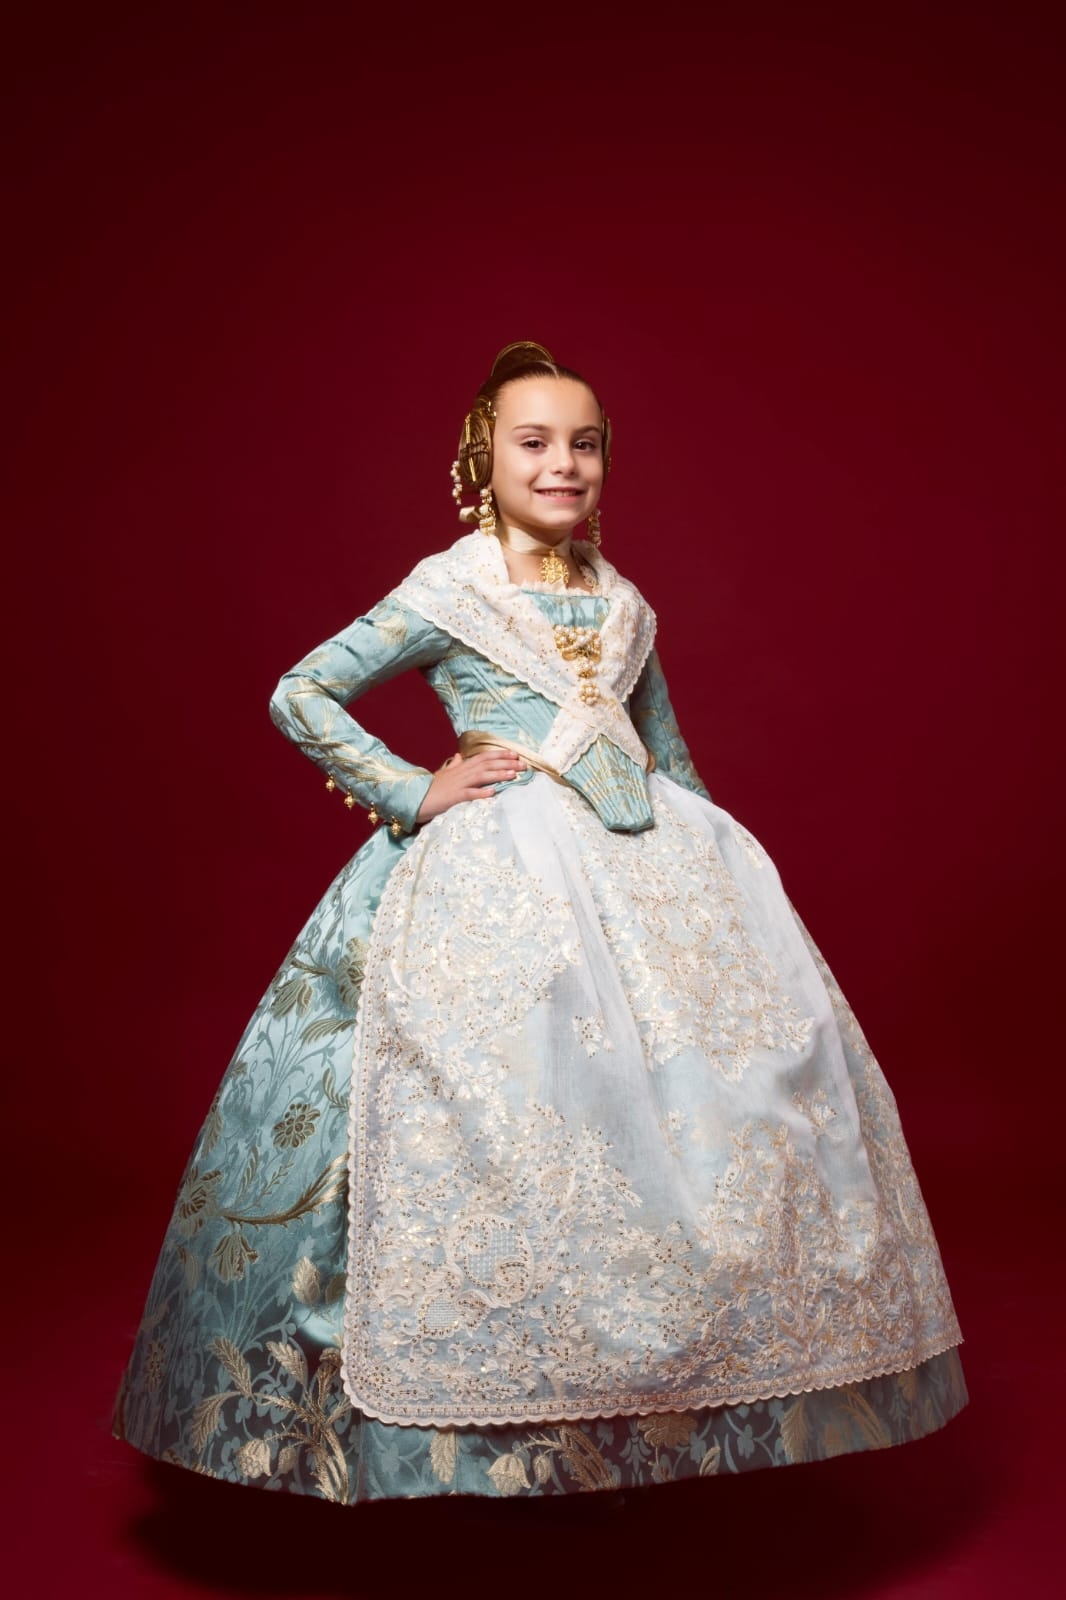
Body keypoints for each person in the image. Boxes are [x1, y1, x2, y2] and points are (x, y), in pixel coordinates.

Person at [114, 341, 966, 1503]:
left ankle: (662, 1402)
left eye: (585, 443)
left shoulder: (625, 603)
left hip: (650, 876)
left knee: (718, 1115)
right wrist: (410, 788)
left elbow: (666, 757)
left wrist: (731, 890)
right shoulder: (447, 588)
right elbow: (301, 690)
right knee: (511, 1111)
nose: (563, 462)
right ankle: (495, 1417)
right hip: (501, 879)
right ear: (483, 459)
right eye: (534, 441)